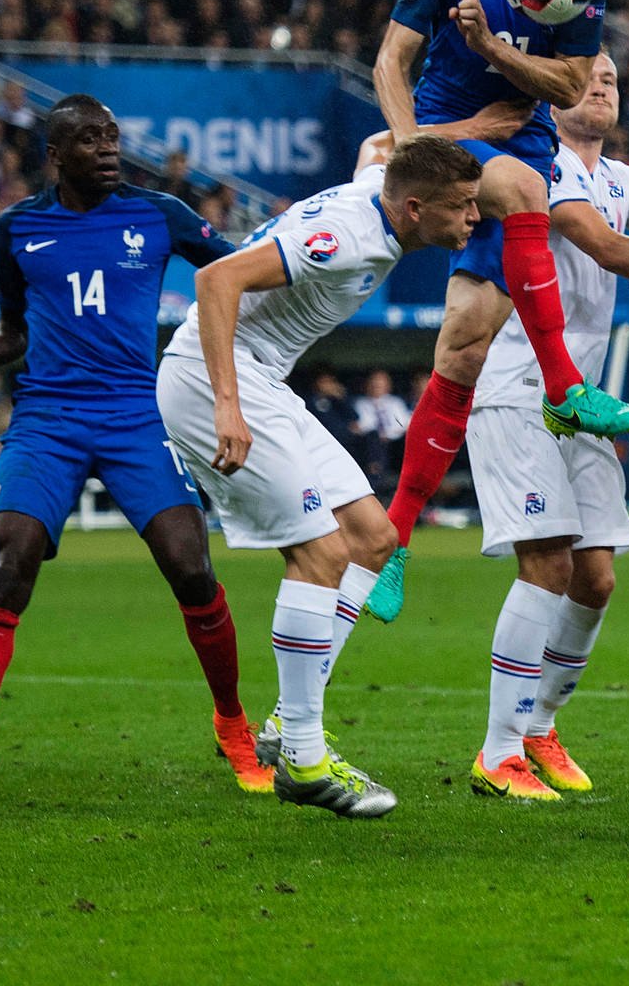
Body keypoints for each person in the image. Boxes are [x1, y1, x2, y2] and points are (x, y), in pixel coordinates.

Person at [0, 94, 266, 805]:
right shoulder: (18, 227)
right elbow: (15, 329)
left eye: (112, 136)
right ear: (56, 155)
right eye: (89, 139)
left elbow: (240, 269)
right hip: (47, 418)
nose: (108, 149)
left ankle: (232, 723)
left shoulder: (160, 214)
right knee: (10, 556)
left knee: (191, 566)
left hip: (133, 416)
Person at [156, 133, 483, 819]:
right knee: (321, 554)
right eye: (462, 207)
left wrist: (447, 117)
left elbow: (378, 143)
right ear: (416, 209)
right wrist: (226, 405)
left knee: (373, 538)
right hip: (217, 379)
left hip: (264, 381)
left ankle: (288, 722)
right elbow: (216, 280)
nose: (474, 218)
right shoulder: (347, 238)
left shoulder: (378, 190)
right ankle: (304, 759)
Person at [372, 0, 629, 578]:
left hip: (520, 133)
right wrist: (412, 148)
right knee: (527, 192)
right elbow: (390, 61)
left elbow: (568, 86)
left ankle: (390, 542)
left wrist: (493, 49)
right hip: (445, 134)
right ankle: (565, 389)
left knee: (462, 348)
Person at [463, 51, 629, 800]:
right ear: (550, 91)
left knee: (596, 576)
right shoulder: (536, 164)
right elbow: (599, 241)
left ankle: (539, 726)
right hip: (518, 384)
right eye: (588, 75)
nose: (602, 84)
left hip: (579, 400)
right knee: (549, 564)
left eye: (612, 78)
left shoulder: (624, 179)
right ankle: (498, 753)